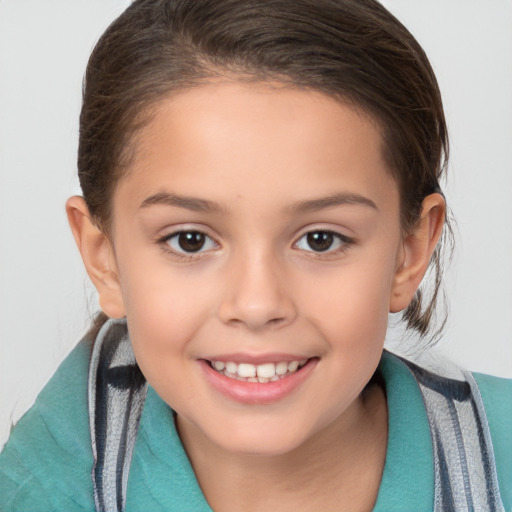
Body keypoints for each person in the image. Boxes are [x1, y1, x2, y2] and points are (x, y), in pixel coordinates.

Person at [0, 0, 510, 510]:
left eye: (320, 239)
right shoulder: (41, 491)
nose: (257, 303)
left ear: (409, 251)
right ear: (103, 256)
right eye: (190, 240)